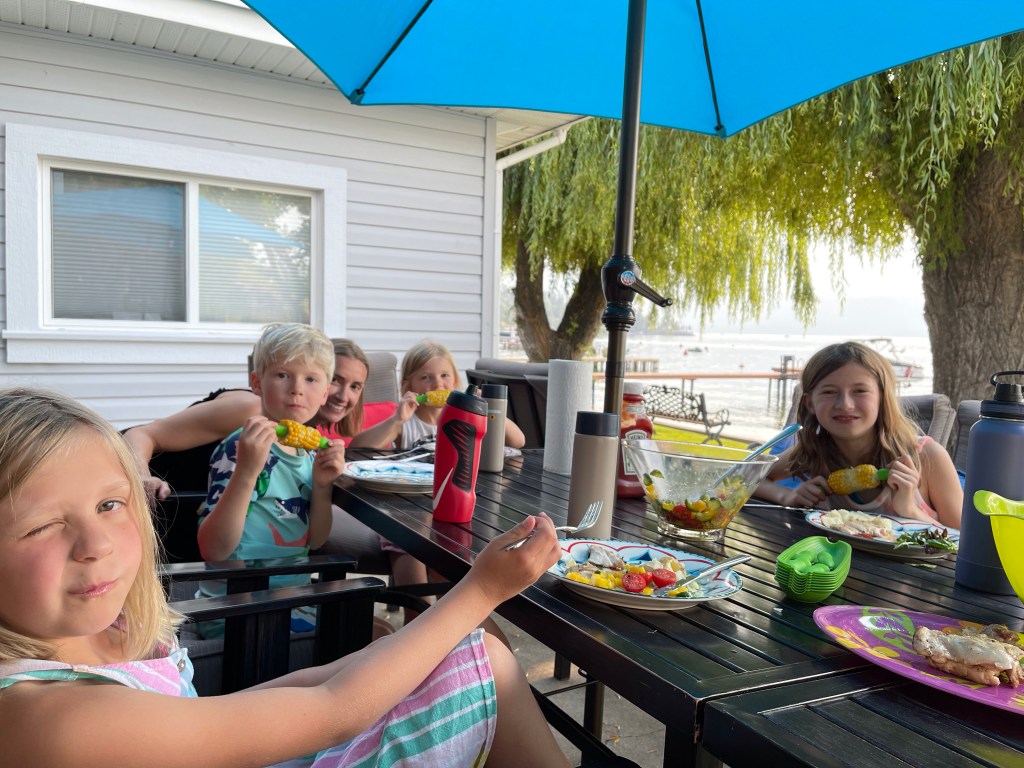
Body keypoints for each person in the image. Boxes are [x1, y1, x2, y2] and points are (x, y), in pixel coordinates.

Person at [0, 387, 571, 768]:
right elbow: (330, 712)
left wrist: (399, 649)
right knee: (487, 663)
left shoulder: (101, 632)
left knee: (464, 649)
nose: (97, 545)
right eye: (43, 526)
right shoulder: (55, 721)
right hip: (275, 638)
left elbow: (218, 713)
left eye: (109, 505)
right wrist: (482, 590)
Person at [196, 323, 346, 636]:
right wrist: (247, 471)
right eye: (282, 375)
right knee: (366, 641)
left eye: (311, 378)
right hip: (237, 609)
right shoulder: (241, 447)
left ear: (325, 393)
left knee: (376, 634)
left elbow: (316, 541)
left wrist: (322, 486)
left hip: (293, 602)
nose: (296, 388)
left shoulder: (308, 455)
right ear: (257, 383)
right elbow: (214, 550)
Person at [754, 341, 963, 528]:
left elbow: (965, 544)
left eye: (860, 391)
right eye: (829, 392)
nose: (845, 404)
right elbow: (744, 476)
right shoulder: (815, 452)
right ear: (810, 403)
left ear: (882, 398)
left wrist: (910, 511)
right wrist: (787, 496)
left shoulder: (927, 456)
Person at [352, 339, 526, 451]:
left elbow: (518, 441)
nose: (438, 384)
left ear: (455, 380)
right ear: (408, 385)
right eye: (425, 377)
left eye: (444, 375)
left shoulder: (466, 417)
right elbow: (357, 449)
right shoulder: (406, 422)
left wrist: (488, 409)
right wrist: (396, 420)